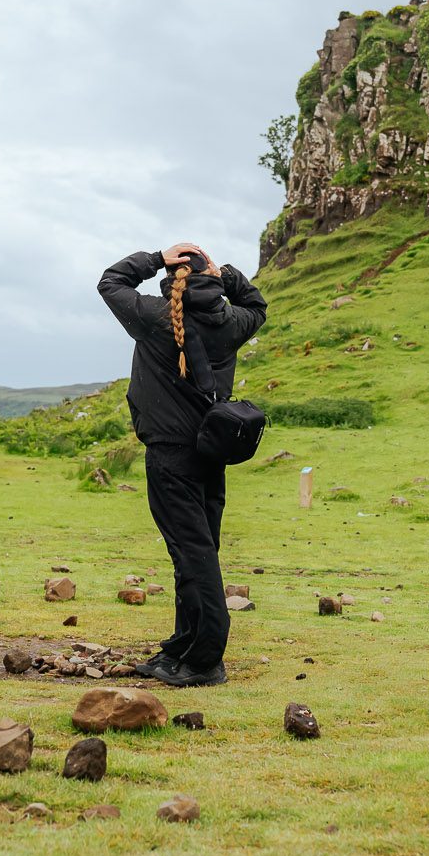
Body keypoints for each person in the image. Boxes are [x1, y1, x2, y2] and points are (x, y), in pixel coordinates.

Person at [97, 241, 268, 688]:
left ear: (172, 279)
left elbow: (111, 281)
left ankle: (206, 660)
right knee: (199, 551)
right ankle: (184, 644)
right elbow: (257, 304)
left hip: (171, 456)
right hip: (211, 455)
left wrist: (156, 257)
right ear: (209, 278)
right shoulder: (229, 321)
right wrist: (225, 274)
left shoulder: (156, 317)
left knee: (192, 556)